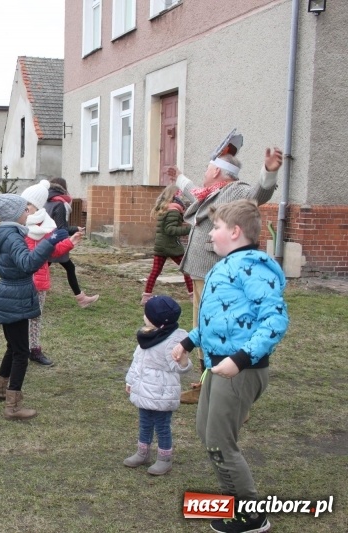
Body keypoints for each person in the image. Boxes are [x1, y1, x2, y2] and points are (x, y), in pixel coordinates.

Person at [171, 199, 289, 533]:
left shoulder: (254, 267)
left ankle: (251, 515)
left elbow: (275, 320)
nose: (211, 236)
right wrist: (189, 341)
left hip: (240, 371)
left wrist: (240, 360)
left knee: (220, 441)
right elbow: (220, 320)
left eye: (217, 228)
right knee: (206, 433)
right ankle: (233, 500)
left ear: (235, 232)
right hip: (218, 367)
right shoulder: (225, 266)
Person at [169, 144, 283, 404]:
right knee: (202, 324)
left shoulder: (236, 190)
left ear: (220, 172)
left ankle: (221, 389)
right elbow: (192, 191)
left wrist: (268, 172)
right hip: (201, 271)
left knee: (215, 326)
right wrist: (178, 177)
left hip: (215, 271)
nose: (205, 172)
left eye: (209, 168)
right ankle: (206, 386)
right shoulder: (210, 191)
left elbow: (258, 193)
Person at [0, 193, 68, 420]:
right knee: (21, 352)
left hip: (8, 293)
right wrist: (50, 242)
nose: (28, 213)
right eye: (25, 210)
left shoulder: (3, 234)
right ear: (14, 214)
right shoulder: (12, 237)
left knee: (13, 346)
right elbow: (28, 263)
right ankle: (13, 407)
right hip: (16, 296)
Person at [123, 295, 191, 475]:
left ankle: (164, 459)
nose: (144, 317)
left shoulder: (173, 342)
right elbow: (137, 361)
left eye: (147, 314)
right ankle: (142, 453)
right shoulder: (148, 334)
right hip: (144, 389)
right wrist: (131, 380)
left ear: (157, 319)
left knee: (162, 425)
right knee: (144, 423)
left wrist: (183, 360)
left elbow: (180, 368)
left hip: (162, 393)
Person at [20, 180, 82, 366]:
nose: (23, 208)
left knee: (36, 316)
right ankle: (20, 349)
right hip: (21, 280)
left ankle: (35, 349)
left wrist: (70, 242)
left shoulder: (47, 226)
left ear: (36, 207)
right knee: (20, 318)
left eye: (27, 205)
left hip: (38, 280)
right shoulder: (19, 226)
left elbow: (52, 251)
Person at [44, 177, 99, 308]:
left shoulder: (47, 201)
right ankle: (81, 299)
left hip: (46, 240)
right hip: (55, 242)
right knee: (61, 267)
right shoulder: (59, 204)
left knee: (49, 267)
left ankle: (81, 298)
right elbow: (61, 228)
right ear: (63, 189)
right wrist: (76, 229)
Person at [140, 184, 194, 305]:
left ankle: (146, 297)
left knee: (155, 271)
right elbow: (170, 229)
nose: (182, 195)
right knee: (187, 269)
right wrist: (190, 229)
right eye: (180, 193)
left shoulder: (164, 208)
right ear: (175, 195)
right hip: (171, 246)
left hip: (160, 245)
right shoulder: (174, 209)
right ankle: (193, 296)